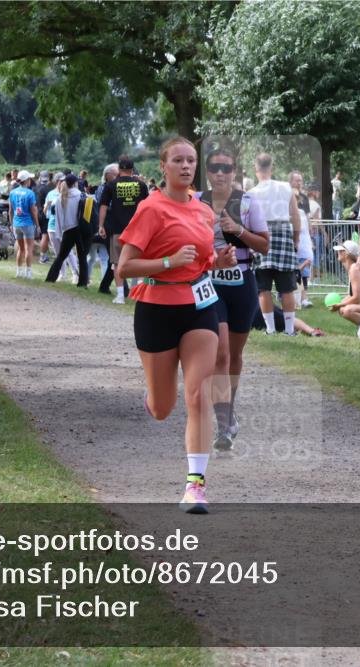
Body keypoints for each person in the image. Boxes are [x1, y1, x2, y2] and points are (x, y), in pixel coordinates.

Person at [116, 136, 238, 514]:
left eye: (191, 161)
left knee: (198, 394)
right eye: (179, 161)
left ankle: (195, 486)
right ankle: (154, 397)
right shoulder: (151, 209)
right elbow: (124, 268)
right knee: (164, 407)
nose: (187, 167)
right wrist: (167, 262)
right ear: (164, 167)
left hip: (200, 305)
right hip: (156, 307)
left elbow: (199, 262)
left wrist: (217, 263)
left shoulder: (203, 211)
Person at [196, 148, 269, 452]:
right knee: (220, 355)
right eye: (215, 168)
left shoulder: (249, 202)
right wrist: (211, 257)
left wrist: (238, 230)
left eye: (226, 168)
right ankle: (223, 424)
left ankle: (229, 411)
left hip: (242, 280)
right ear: (208, 172)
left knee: (235, 356)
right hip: (210, 282)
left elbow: (264, 245)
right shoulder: (196, 203)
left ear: (235, 171)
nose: (221, 173)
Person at [248, 153, 301, 335]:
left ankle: (270, 329)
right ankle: (288, 329)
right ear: (273, 168)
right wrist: (296, 240)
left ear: (256, 169)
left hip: (260, 235)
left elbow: (247, 221)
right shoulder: (286, 188)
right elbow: (295, 216)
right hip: (283, 234)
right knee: (287, 288)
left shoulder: (251, 194)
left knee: (263, 288)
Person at [99, 155, 149, 303]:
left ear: (119, 170)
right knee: (139, 261)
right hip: (137, 230)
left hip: (117, 229)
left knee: (117, 262)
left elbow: (103, 206)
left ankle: (120, 296)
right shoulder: (141, 185)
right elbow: (147, 207)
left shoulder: (111, 185)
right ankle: (140, 294)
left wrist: (101, 225)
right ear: (132, 169)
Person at [45, 173, 89, 286]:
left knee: (61, 256)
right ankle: (82, 282)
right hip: (80, 230)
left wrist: (60, 232)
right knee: (82, 256)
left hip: (68, 230)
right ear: (75, 183)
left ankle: (50, 278)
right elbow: (87, 215)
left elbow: (58, 218)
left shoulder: (60, 198)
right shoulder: (82, 196)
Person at [329, 240, 360, 326]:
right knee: (342, 309)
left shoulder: (354, 269)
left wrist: (339, 304)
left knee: (347, 310)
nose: (338, 252)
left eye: (341, 250)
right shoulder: (353, 267)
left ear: (347, 254)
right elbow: (352, 295)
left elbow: (357, 298)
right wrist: (340, 304)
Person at [290, 171, 315, 308]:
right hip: (293, 235)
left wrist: (310, 236)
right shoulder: (287, 196)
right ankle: (296, 296)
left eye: (300, 180)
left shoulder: (304, 198)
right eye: (296, 180)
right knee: (296, 267)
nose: (299, 183)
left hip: (304, 237)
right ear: (291, 181)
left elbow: (308, 217)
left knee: (304, 268)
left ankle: (302, 297)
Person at [90, 164, 118, 285]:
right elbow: (107, 207)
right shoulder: (104, 188)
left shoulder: (109, 187)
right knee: (113, 258)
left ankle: (105, 285)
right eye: (116, 174)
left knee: (111, 258)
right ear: (108, 176)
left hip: (109, 225)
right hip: (106, 225)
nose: (119, 176)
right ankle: (112, 286)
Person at [8, 170, 39, 278]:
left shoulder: (12, 192)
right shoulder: (30, 193)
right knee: (29, 248)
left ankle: (18, 271)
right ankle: (28, 273)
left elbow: (10, 210)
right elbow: (33, 210)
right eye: (29, 179)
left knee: (20, 249)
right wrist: (37, 224)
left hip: (16, 223)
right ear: (26, 180)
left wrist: (11, 224)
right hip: (28, 223)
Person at [36, 170, 54, 264]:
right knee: (45, 235)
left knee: (44, 235)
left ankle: (44, 256)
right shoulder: (48, 189)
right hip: (45, 213)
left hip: (38, 212)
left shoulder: (36, 187)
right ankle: (42, 257)